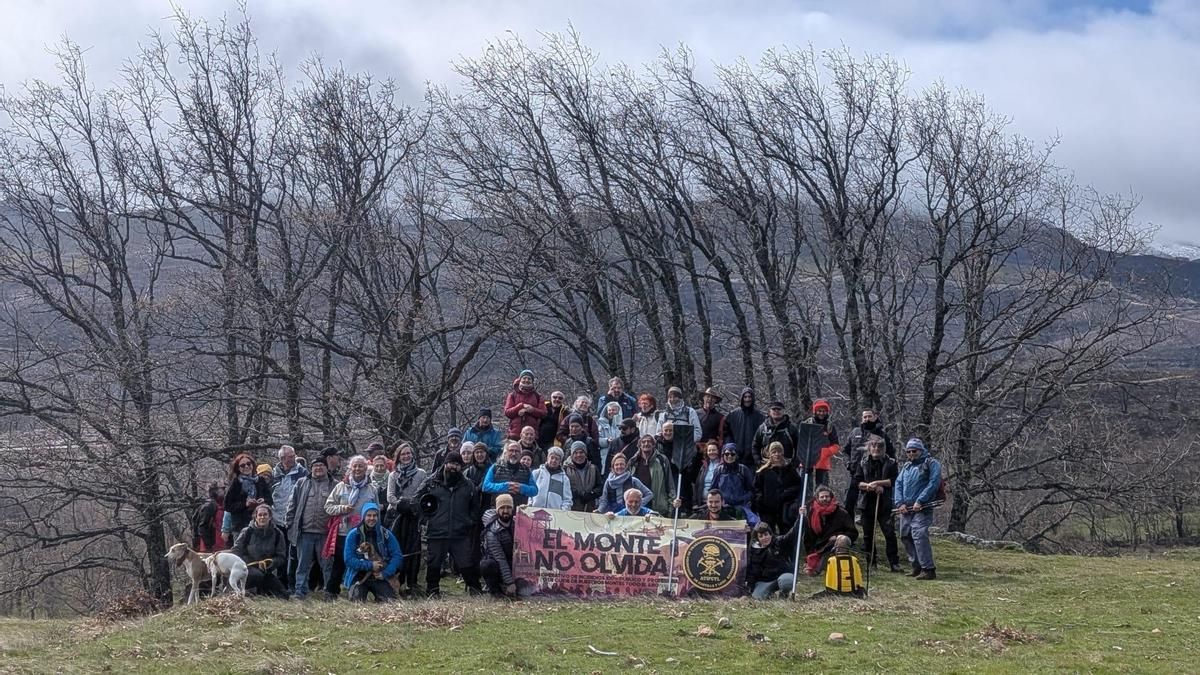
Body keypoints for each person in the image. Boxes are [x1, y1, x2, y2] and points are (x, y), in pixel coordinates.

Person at [417, 454, 483, 598]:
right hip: (436, 531)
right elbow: (417, 501)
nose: (454, 467)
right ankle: (432, 592)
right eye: (451, 463)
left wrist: (469, 522)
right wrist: (427, 519)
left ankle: (475, 590)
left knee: (466, 562)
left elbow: (475, 507)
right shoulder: (431, 482)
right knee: (434, 563)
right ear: (445, 464)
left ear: (461, 467)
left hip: (460, 533)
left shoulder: (468, 485)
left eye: (457, 464)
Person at [323, 455, 378, 599]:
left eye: (361, 466)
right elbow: (328, 507)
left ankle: (356, 592)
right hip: (343, 531)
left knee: (360, 562)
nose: (357, 469)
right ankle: (331, 592)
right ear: (350, 468)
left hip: (363, 533)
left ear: (366, 469)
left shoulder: (371, 489)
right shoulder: (341, 487)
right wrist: (342, 508)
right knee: (339, 562)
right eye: (355, 466)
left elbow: (376, 509)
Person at [286, 455, 334, 599]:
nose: (318, 468)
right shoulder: (302, 483)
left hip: (326, 533)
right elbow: (292, 504)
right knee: (302, 565)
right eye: (315, 466)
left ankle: (329, 592)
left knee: (327, 565)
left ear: (326, 468)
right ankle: (300, 592)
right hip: (304, 532)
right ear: (311, 468)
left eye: (321, 465)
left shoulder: (334, 484)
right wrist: (289, 524)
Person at [894, 438, 942, 580]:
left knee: (919, 534)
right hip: (907, 508)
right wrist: (900, 503)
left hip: (923, 507)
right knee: (905, 535)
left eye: (914, 451)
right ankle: (916, 566)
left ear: (921, 450)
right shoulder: (907, 466)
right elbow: (898, 484)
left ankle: (928, 569)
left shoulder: (931, 463)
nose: (911, 454)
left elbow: (934, 483)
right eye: (908, 451)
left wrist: (920, 500)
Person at [853, 435, 902, 573]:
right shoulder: (863, 462)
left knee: (889, 533)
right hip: (867, 503)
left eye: (880, 446)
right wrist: (868, 486)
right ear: (869, 448)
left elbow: (894, 480)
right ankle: (871, 563)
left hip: (884, 503)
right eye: (874, 446)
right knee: (868, 535)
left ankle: (894, 563)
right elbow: (857, 482)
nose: (876, 449)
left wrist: (880, 484)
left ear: (884, 448)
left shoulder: (891, 462)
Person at [386, 442, 428, 597]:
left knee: (413, 549)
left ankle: (412, 583)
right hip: (396, 516)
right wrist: (400, 505)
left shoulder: (421, 473)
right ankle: (396, 581)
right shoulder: (393, 475)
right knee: (396, 548)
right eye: (403, 454)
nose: (406, 456)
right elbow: (390, 496)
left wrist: (412, 505)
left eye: (408, 453)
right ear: (398, 457)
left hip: (414, 515)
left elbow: (423, 493)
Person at [342, 502, 403, 602]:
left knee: (391, 602)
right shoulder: (353, 535)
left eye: (375, 515)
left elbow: (397, 555)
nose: (372, 518)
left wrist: (386, 573)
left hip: (380, 576)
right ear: (363, 516)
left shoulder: (386, 534)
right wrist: (370, 565)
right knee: (357, 602)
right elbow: (348, 560)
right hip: (359, 575)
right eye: (369, 515)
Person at [798, 485, 857, 576]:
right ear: (817, 498)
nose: (825, 499)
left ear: (831, 497)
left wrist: (837, 536)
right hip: (820, 547)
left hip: (836, 544)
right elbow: (808, 536)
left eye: (827, 496)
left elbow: (853, 532)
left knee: (843, 539)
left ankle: (841, 570)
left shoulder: (841, 512)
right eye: (822, 497)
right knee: (810, 573)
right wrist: (804, 518)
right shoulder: (811, 512)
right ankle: (818, 565)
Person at [844, 410, 895, 515]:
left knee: (872, 505)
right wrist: (848, 464)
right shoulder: (855, 432)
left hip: (875, 475)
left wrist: (887, 468)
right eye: (865, 417)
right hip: (855, 474)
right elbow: (845, 451)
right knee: (849, 503)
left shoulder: (882, 434)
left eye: (869, 416)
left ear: (875, 417)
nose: (867, 419)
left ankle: (872, 522)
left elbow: (891, 453)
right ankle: (850, 524)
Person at [232, 504, 288, 598]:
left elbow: (281, 556)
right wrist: (245, 564)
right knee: (257, 575)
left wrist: (272, 563)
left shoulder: (278, 534)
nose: (262, 517)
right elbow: (236, 551)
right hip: (246, 569)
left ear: (270, 517)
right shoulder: (247, 532)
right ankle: (241, 591)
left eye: (265, 515)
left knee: (283, 595)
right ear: (256, 517)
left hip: (266, 571)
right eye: (260, 515)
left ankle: (259, 593)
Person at [753, 442, 803, 533]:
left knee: (786, 531)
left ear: (782, 453)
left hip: (785, 507)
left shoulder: (789, 469)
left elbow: (797, 485)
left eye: (779, 451)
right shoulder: (763, 471)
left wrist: (786, 494)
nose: (777, 454)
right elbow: (757, 488)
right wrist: (760, 500)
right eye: (774, 452)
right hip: (767, 508)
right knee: (768, 532)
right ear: (769, 454)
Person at [480, 493, 518, 597]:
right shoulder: (492, 531)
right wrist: (510, 583)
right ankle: (495, 592)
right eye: (502, 508)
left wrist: (526, 512)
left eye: (508, 507)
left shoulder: (517, 523)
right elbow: (500, 558)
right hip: (498, 565)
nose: (505, 511)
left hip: (515, 564)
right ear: (497, 510)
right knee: (487, 565)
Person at [225, 453, 273, 534]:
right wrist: (245, 504)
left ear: (253, 465)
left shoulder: (260, 480)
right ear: (238, 468)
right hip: (241, 526)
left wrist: (263, 501)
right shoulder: (236, 483)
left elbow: (270, 500)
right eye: (242, 465)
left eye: (248, 464)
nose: (246, 467)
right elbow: (228, 506)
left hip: (260, 524)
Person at [748, 521, 797, 600]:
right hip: (765, 581)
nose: (764, 538)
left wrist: (801, 518)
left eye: (766, 534)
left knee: (787, 581)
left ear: (770, 534)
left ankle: (784, 593)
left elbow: (793, 534)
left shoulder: (779, 541)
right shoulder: (754, 550)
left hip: (782, 576)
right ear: (757, 539)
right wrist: (750, 587)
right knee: (757, 598)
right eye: (761, 536)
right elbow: (753, 571)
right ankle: (770, 593)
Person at [628, 434, 675, 516]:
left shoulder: (662, 460)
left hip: (658, 506)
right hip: (637, 507)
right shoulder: (633, 461)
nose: (646, 444)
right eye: (643, 442)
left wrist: (671, 505)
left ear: (653, 445)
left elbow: (670, 483)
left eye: (649, 441)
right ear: (640, 445)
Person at [482, 441, 538, 507]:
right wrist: (505, 486)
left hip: (519, 509)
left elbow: (534, 490)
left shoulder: (526, 470)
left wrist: (521, 488)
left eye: (517, 451)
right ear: (505, 453)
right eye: (511, 450)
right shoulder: (495, 467)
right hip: (498, 509)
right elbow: (486, 486)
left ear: (520, 454)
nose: (514, 454)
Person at [724, 387, 765, 467]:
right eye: (745, 397)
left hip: (753, 459)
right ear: (742, 398)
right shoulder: (733, 415)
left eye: (749, 397)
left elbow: (762, 437)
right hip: (736, 457)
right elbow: (727, 433)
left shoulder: (760, 417)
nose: (747, 399)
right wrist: (730, 448)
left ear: (753, 398)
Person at [713, 444, 756, 520]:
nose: (729, 456)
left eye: (732, 454)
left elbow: (751, 491)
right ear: (723, 455)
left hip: (741, 507)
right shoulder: (718, 470)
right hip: (723, 507)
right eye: (727, 454)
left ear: (736, 455)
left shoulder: (743, 469)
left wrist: (742, 499)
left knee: (753, 521)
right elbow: (713, 489)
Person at [805, 399, 841, 486]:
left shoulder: (830, 427)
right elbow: (801, 442)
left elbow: (836, 445)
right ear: (815, 411)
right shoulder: (807, 424)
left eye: (824, 411)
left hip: (823, 462)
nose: (821, 413)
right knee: (806, 488)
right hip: (807, 461)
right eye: (819, 411)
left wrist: (826, 452)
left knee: (823, 489)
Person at [503, 369, 546, 440]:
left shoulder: (538, 396)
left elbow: (544, 413)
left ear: (532, 381)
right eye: (524, 378)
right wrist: (521, 406)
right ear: (520, 380)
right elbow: (507, 412)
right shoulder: (512, 395)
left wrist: (532, 410)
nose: (526, 380)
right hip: (514, 434)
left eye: (529, 378)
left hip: (531, 435)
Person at [752, 402, 798, 467]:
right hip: (767, 466)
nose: (776, 411)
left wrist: (794, 463)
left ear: (783, 411)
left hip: (786, 466)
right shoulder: (762, 429)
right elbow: (755, 446)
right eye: (774, 409)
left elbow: (799, 448)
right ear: (769, 412)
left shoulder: (791, 428)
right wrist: (758, 461)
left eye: (779, 409)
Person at [564, 441, 602, 512]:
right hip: (572, 509)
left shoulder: (594, 468)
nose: (579, 455)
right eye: (575, 453)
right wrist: (578, 494)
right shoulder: (565, 469)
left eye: (581, 452)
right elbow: (564, 488)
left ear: (585, 454)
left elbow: (599, 487)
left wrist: (591, 494)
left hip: (590, 508)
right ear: (571, 455)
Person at [191, 482, 224, 553]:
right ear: (214, 491)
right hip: (211, 546)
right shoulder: (209, 506)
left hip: (221, 544)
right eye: (222, 489)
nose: (225, 491)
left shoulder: (222, 505)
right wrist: (209, 546)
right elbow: (202, 527)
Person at [596, 401, 624, 471]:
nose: (611, 412)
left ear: (618, 411)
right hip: (605, 454)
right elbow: (597, 439)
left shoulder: (622, 424)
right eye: (609, 410)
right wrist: (606, 441)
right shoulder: (600, 423)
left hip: (619, 454)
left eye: (614, 410)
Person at [368, 454, 391, 525]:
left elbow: (395, 498)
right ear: (373, 466)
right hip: (370, 516)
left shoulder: (391, 479)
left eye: (381, 465)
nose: (379, 468)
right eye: (376, 466)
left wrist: (384, 506)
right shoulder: (368, 480)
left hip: (387, 517)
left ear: (386, 466)